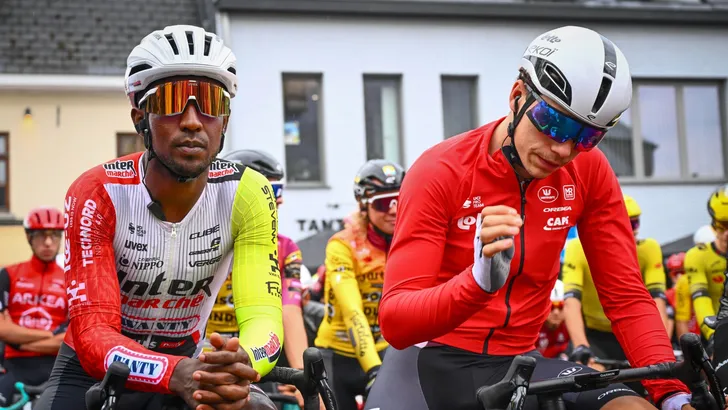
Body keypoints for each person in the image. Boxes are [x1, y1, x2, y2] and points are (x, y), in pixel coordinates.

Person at [375, 25, 691, 410]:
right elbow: (396, 323)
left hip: (520, 364)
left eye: (586, 137)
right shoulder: (440, 171)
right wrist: (476, 283)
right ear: (517, 97)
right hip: (429, 361)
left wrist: (671, 392)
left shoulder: (589, 171)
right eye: (554, 122)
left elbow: (626, 297)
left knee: (633, 407)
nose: (563, 149)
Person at [35, 25, 281, 410]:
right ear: (141, 118)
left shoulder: (249, 193)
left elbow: (265, 319)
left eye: (210, 102)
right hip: (95, 369)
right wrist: (175, 373)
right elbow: (93, 332)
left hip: (190, 362)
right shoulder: (97, 192)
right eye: (171, 100)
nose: (192, 121)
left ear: (225, 121)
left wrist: (241, 364)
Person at [205, 149, 310, 407]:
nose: (278, 201)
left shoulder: (286, 247)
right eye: (270, 191)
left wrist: (302, 374)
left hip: (256, 349)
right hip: (203, 350)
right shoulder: (202, 240)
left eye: (279, 192)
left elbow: (290, 310)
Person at [314, 159, 403, 410]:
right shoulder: (342, 245)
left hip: (386, 349)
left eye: (399, 200)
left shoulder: (409, 240)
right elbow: (352, 312)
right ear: (364, 205)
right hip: (338, 353)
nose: (394, 210)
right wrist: (374, 369)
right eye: (383, 203)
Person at [562, 194, 668, 368]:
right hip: (594, 335)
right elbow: (571, 302)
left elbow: (658, 301)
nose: (631, 231)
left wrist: (661, 346)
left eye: (635, 223)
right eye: (625, 224)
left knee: (651, 378)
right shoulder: (577, 248)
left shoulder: (649, 249)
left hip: (634, 331)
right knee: (594, 375)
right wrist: (581, 345)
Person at [0, 207, 68, 407]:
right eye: (40, 235)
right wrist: (50, 335)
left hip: (55, 367)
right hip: (14, 366)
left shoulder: (70, 279)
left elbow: (69, 338)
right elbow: (2, 329)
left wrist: (18, 340)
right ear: (29, 237)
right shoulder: (8, 274)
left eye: (54, 235)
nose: (48, 242)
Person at [689, 185, 728, 385]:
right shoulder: (698, 256)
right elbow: (701, 299)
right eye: (722, 225)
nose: (727, 233)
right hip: (714, 331)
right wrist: (715, 338)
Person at [664, 252, 699, 342]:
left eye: (682, 272)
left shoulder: (699, 289)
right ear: (670, 275)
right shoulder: (667, 295)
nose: (679, 276)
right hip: (681, 342)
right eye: (675, 273)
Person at [536, 279, 569, 360]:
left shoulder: (571, 326)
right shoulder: (533, 326)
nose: (556, 313)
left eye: (560, 307)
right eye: (552, 307)